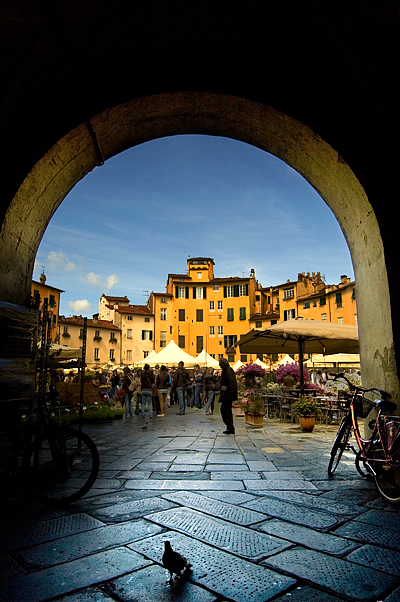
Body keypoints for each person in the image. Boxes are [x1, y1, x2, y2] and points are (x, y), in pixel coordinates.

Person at [218, 358, 237, 434]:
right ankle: (230, 427)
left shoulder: (228, 371)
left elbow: (231, 383)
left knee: (224, 410)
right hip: (227, 394)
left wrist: (229, 393)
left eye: (220, 364)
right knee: (227, 411)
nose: (219, 365)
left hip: (227, 395)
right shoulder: (227, 370)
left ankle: (230, 426)